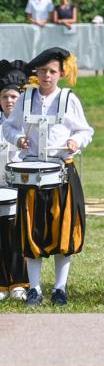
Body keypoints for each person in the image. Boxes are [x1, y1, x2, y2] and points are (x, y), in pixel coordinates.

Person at [2, 48, 92, 307]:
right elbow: (9, 125)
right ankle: (35, 288)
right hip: (31, 174)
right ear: (36, 74)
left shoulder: (68, 99)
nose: (47, 76)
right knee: (32, 231)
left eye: (52, 71)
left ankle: (60, 288)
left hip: (61, 170)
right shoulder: (25, 98)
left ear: (61, 73)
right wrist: (17, 138)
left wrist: (76, 141)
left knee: (62, 232)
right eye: (42, 71)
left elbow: (85, 129)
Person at [0, 60, 30, 301]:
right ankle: (1, 284)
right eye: (4, 97)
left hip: (21, 188)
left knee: (19, 235)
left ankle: (20, 282)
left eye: (13, 97)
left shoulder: (28, 123)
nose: (9, 101)